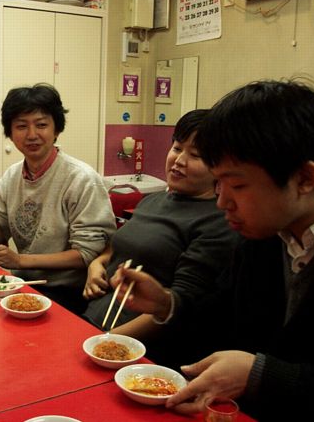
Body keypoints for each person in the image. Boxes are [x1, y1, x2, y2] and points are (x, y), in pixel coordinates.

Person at [111, 79, 314, 420]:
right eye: (219, 183)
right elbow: (215, 316)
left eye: (237, 185)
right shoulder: (263, 239)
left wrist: (260, 374)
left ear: (304, 179)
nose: (222, 202)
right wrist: (166, 302)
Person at [82, 109, 239, 368]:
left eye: (196, 155)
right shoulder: (152, 200)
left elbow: (179, 304)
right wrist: (96, 264)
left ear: (221, 168)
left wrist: (103, 342)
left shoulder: (217, 221)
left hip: (134, 349)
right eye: (177, 148)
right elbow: (119, 246)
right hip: (92, 319)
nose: (179, 160)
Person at [0, 83, 115, 314]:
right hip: (22, 285)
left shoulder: (81, 179)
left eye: (42, 125)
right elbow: (0, 235)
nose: (32, 135)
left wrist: (20, 261)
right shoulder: (12, 176)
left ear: (56, 130)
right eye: (21, 126)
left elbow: (87, 254)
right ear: (10, 133)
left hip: (69, 293)